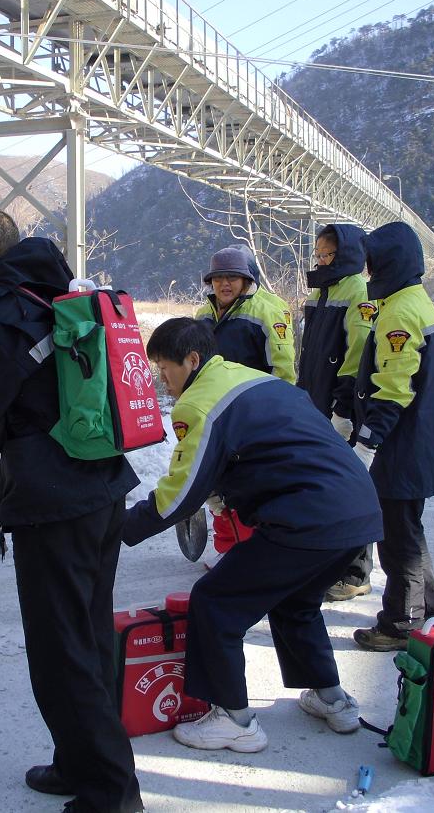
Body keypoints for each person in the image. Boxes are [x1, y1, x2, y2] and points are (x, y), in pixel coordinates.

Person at [0, 205, 143, 813]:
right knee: (88, 637)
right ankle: (79, 763)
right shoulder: (54, 290)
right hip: (101, 483)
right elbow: (34, 396)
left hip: (52, 499)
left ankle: (111, 795)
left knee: (61, 652)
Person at [123, 317, 382, 753]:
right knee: (295, 601)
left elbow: (179, 495)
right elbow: (273, 447)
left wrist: (119, 527)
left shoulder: (199, 404)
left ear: (192, 360)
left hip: (308, 518)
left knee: (216, 602)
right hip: (358, 512)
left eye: (165, 368)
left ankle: (234, 720)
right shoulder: (252, 379)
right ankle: (332, 699)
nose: (162, 380)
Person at [348, 222, 434, 653]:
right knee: (408, 531)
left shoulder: (398, 312)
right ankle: (427, 609)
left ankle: (401, 624)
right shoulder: (411, 300)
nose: (368, 270)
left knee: (397, 540)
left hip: (402, 446)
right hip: (418, 441)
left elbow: (394, 389)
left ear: (388, 262)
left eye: (372, 262)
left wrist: (368, 441)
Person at [194, 245, 296, 564]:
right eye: (218, 278)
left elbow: (283, 369)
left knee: (254, 483)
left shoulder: (268, 310)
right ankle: (228, 549)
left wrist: (278, 414)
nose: (224, 284)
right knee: (218, 482)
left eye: (232, 278)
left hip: (256, 412)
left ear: (246, 279)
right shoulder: (203, 315)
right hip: (216, 411)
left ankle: (256, 553)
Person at [296, 224, 378, 603]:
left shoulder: (358, 291)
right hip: (315, 405)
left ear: (346, 254)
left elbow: (358, 353)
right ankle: (329, 562)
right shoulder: (320, 292)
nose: (322, 260)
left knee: (350, 487)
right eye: (319, 254)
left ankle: (355, 572)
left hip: (340, 407)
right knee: (324, 489)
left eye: (328, 254)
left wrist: (343, 407)